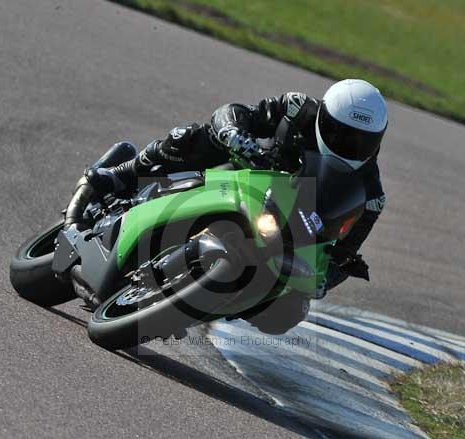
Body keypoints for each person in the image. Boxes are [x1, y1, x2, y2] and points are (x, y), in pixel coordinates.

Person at [88, 79, 388, 292]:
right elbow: (236, 112)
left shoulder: (371, 194)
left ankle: (202, 297)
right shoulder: (297, 109)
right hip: (244, 175)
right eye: (342, 134)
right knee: (192, 138)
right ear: (324, 116)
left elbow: (346, 253)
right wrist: (234, 133)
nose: (351, 145)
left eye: (363, 141)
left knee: (289, 313)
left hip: (285, 230)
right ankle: (123, 172)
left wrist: (328, 279)